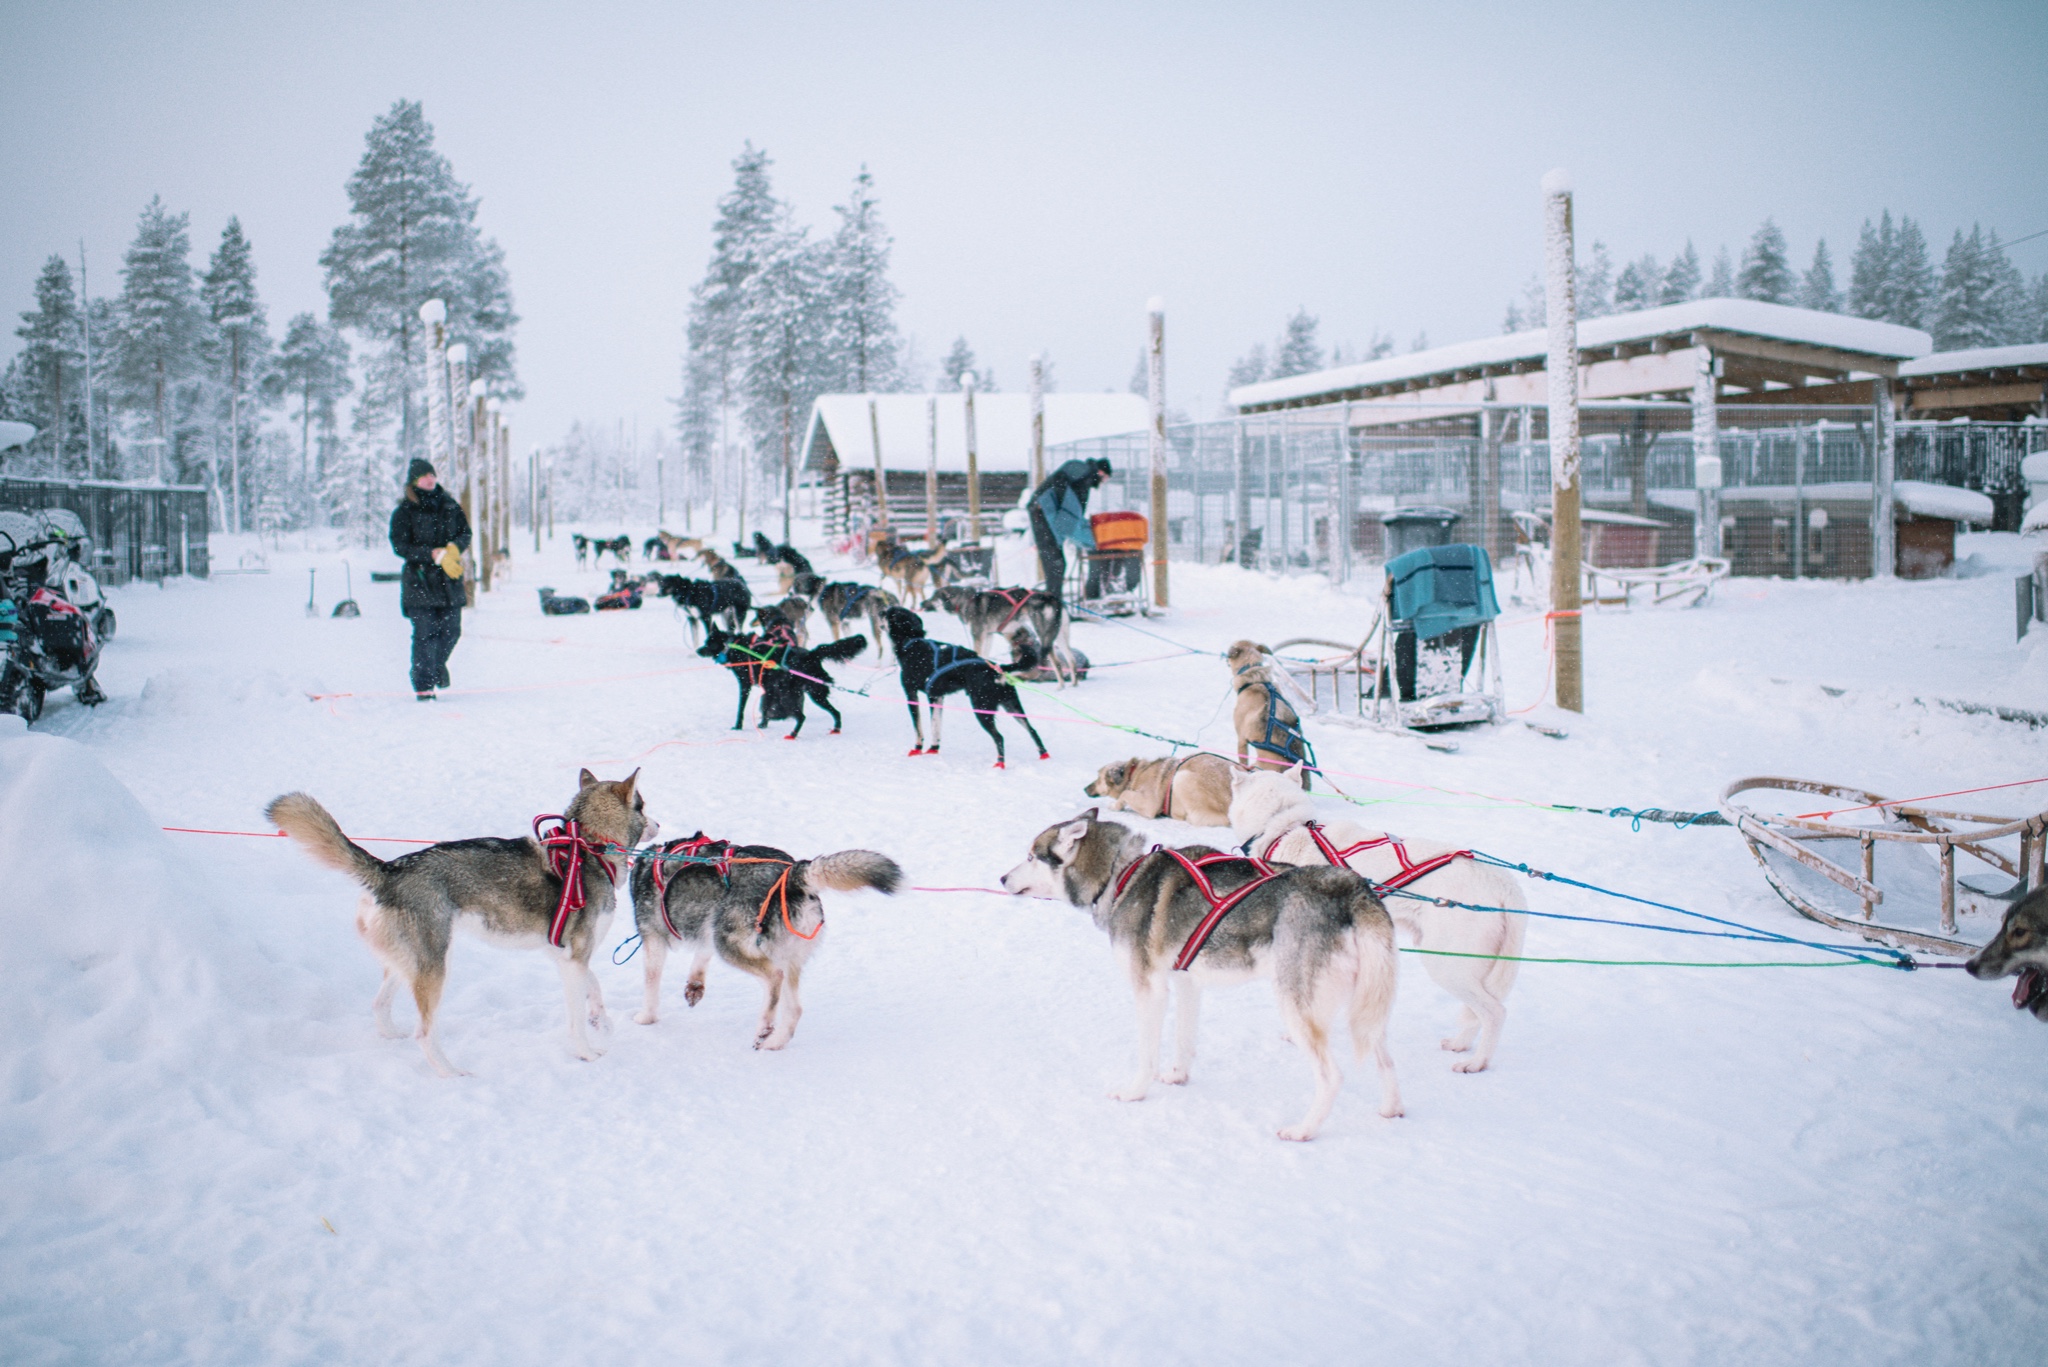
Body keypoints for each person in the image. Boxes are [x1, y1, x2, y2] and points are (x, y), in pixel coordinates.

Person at [389, 458, 471, 700]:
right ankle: (424, 687)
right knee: (426, 634)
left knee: (451, 631)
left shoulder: (449, 505)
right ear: (414, 481)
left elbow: (465, 532)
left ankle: (434, 667)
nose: (430, 479)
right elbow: (400, 545)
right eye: (424, 476)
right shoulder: (404, 511)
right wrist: (430, 554)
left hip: (449, 581)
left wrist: (455, 548)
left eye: (432, 475)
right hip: (420, 581)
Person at [1028, 457, 1112, 603]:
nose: (1103, 482)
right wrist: (1054, 506)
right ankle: (1053, 605)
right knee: (1055, 563)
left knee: (1058, 563)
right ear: (1100, 472)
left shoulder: (1084, 482)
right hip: (1042, 512)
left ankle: (1054, 603)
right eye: (1105, 478)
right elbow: (1059, 478)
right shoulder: (1082, 468)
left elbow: (1073, 512)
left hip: (1045, 513)